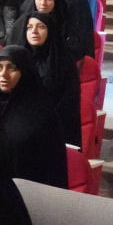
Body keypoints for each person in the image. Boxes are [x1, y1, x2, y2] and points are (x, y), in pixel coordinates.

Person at [0, 45, 67, 188]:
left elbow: (52, 167)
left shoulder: (42, 113)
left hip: (27, 192)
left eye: (12, 68)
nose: (3, 74)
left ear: (25, 72)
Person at [22, 11, 82, 147]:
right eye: (29, 27)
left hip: (54, 129)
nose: (34, 31)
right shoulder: (19, 59)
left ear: (50, 31)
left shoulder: (63, 62)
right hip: (21, 126)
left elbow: (68, 102)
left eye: (41, 27)